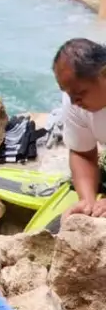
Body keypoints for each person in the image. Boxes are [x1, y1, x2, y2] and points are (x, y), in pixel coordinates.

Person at [52, 37, 106, 220]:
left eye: (80, 93)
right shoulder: (73, 101)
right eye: (68, 93)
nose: (74, 102)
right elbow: (83, 153)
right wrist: (87, 201)